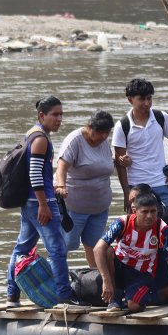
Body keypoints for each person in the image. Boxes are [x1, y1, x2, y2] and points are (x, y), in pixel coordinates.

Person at [6, 96, 80, 307]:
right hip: (41, 201)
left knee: (22, 248)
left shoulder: (31, 134)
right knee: (57, 250)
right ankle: (64, 296)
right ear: (42, 115)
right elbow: (35, 174)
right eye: (55, 115)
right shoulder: (40, 140)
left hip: (29, 202)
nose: (59, 119)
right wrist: (44, 204)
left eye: (61, 114)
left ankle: (12, 295)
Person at [94, 192, 168, 313]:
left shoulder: (162, 229)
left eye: (153, 211)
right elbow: (98, 249)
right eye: (144, 212)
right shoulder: (122, 223)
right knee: (107, 250)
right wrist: (106, 281)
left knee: (134, 306)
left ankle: (137, 298)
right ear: (134, 211)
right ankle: (114, 300)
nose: (149, 216)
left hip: (141, 273)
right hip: (120, 267)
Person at [54, 110, 115, 269]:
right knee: (64, 245)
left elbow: (103, 164)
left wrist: (120, 160)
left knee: (95, 246)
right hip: (74, 208)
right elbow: (61, 167)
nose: (103, 136)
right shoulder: (75, 140)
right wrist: (61, 186)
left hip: (100, 208)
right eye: (100, 132)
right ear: (89, 127)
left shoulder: (104, 142)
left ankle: (94, 279)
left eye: (107, 133)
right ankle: (57, 281)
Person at [114, 78, 168, 212]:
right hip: (136, 187)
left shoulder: (161, 117)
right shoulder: (122, 125)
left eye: (149, 98)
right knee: (138, 229)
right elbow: (119, 163)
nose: (146, 103)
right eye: (141, 99)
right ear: (130, 100)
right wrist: (126, 192)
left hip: (163, 184)